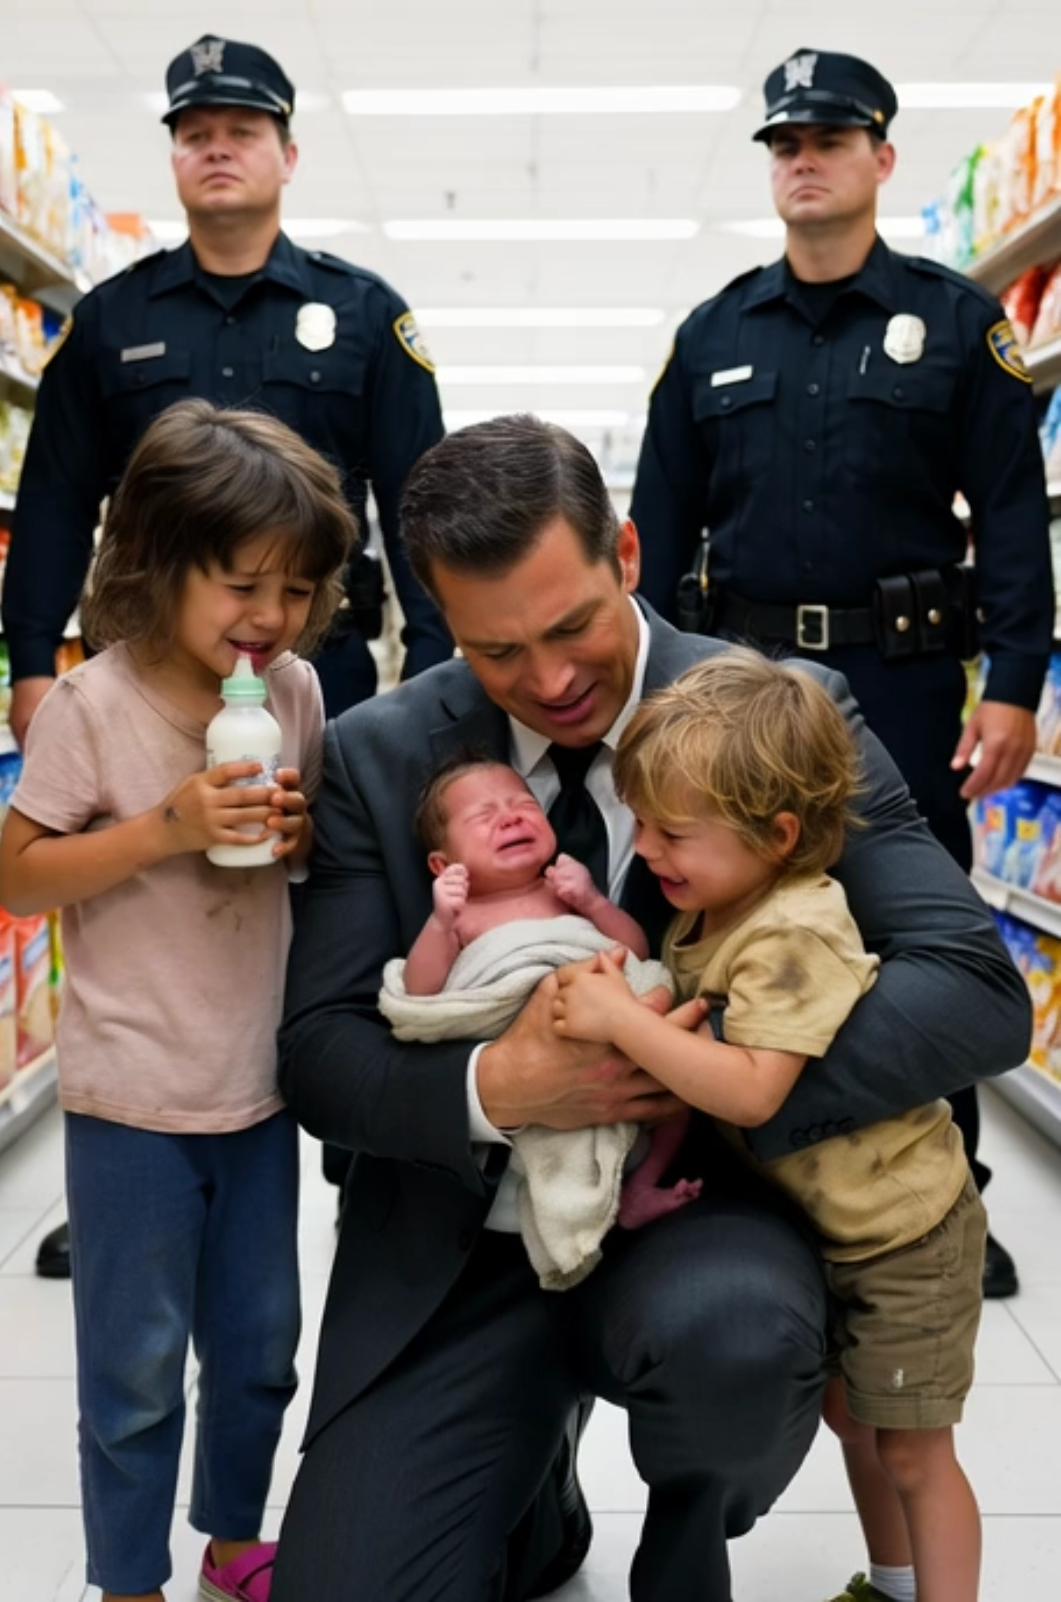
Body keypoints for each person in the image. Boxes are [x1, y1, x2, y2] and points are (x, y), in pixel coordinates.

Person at [272, 413, 1029, 1602]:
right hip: (458, 1236)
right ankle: (534, 1494)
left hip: (700, 1211)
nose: (554, 680)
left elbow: (975, 992)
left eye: (571, 625)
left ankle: (688, 1523)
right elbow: (319, 1055)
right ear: (437, 615)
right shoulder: (377, 754)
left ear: (627, 551)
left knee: (739, 1348)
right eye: (498, 652)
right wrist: (494, 1088)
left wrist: (702, 1066)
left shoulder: (786, 711)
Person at [5, 31, 452, 1278]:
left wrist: (444, 688)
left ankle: (368, 1167)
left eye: (241, 129)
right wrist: (36, 662)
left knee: (349, 921)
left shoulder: (366, 316)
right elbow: (51, 502)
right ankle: (128, 1168)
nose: (217, 146)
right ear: (176, 155)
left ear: (286, 153)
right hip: (144, 684)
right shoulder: (112, 319)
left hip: (331, 681)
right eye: (195, 130)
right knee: (149, 929)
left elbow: (420, 505)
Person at [630, 46, 1055, 1309]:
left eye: (826, 139)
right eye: (782, 145)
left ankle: (948, 1206)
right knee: (728, 923)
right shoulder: (713, 335)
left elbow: (1017, 518)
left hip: (909, 677)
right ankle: (741, 1195)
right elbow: (654, 528)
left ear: (881, 157)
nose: (801, 160)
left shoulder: (960, 325)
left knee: (920, 936)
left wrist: (1016, 682)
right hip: (742, 692)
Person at [0, 400, 357, 1602]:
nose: (272, 620)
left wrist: (297, 838)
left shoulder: (293, 693)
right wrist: (161, 829)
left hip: (255, 1091)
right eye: (244, 585)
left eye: (298, 591)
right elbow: (21, 875)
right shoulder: (93, 707)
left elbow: (300, 871)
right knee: (135, 1363)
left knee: (258, 1351)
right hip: (129, 1102)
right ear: (157, 556)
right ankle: (126, 1577)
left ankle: (235, 1538)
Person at [552, 647, 986, 1602]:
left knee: (914, 1449)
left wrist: (623, 1022)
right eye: (643, 824)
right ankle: (895, 1582)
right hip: (838, 1229)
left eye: (672, 832)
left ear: (780, 833)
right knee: (856, 1423)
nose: (649, 850)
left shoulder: (793, 926)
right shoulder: (713, 905)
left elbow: (751, 1092)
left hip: (907, 1234)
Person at [380, 755, 698, 1289]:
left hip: (610, 1027)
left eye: (525, 804)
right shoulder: (461, 919)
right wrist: (440, 922)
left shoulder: (564, 894)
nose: (511, 817)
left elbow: (632, 952)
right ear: (442, 866)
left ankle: (641, 1184)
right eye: (484, 816)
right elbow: (422, 991)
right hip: (530, 1054)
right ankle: (553, 1202)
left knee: (682, 1083)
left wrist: (593, 901)